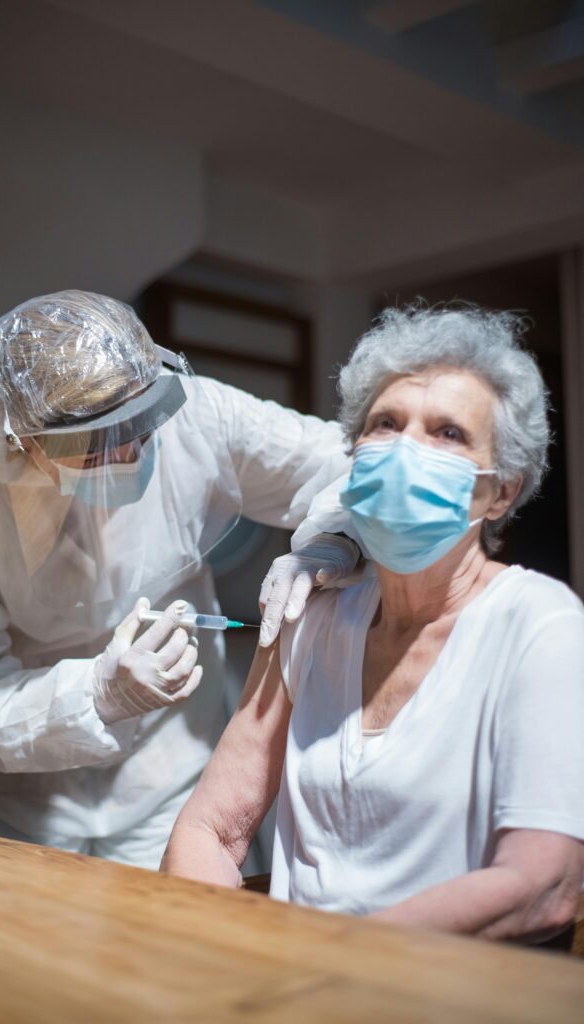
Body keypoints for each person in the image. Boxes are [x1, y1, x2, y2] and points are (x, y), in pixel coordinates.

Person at [162, 304, 584, 942]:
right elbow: (211, 830)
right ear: (354, 455)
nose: (408, 448)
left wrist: (341, 963)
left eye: (448, 433)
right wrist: (214, 957)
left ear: (501, 490)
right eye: (387, 423)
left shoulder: (538, 627)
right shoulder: (310, 615)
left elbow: (544, 886)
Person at [0, 289, 360, 867]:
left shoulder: (202, 416)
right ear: (28, 444)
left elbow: (348, 466)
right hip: (21, 797)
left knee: (171, 941)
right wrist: (95, 694)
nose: (133, 452)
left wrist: (335, 536)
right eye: (98, 447)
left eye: (143, 424)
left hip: (169, 774)